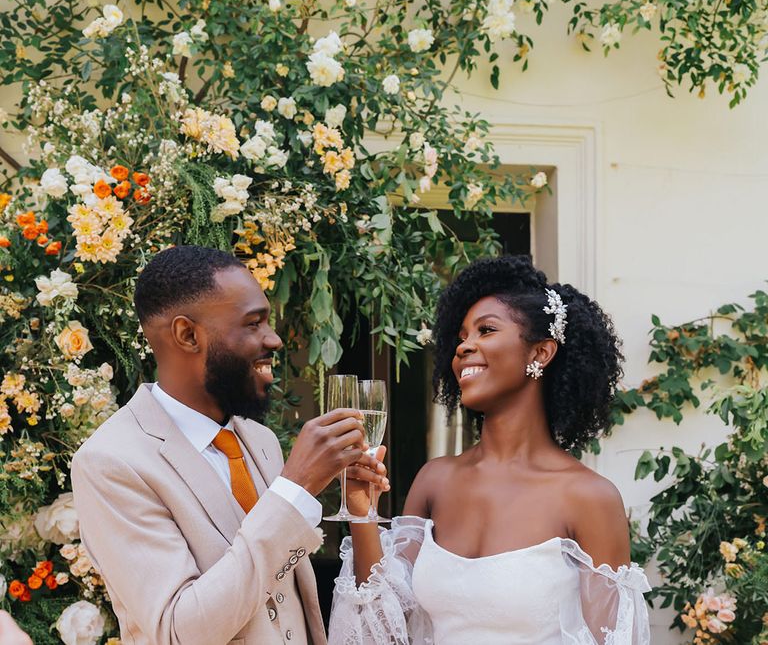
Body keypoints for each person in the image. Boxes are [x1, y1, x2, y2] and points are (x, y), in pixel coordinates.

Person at [71, 245, 388, 645]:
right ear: (188, 335)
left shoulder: (261, 441)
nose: (273, 339)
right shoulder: (111, 462)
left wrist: (358, 508)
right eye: (253, 324)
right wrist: (294, 490)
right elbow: (178, 630)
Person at [329, 255, 651, 644]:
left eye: (486, 330)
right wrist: (362, 516)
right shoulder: (436, 480)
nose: (465, 347)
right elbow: (384, 628)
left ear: (540, 354)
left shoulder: (588, 497)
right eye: (462, 336)